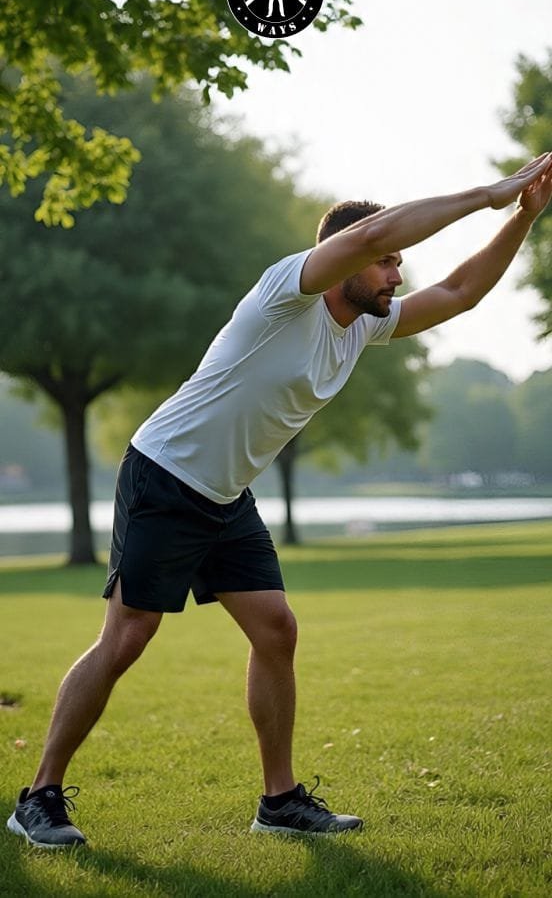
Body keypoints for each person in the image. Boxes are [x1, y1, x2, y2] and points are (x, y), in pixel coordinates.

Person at [7, 153, 552, 848]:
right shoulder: (283, 295)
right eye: (387, 260)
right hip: (166, 474)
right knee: (128, 635)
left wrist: (521, 218)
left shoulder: (363, 327)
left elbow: (459, 293)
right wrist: (487, 193)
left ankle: (279, 800)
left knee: (276, 628)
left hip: (226, 494)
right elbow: (361, 237)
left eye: (397, 264)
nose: (397, 274)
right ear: (346, 257)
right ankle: (39, 795)